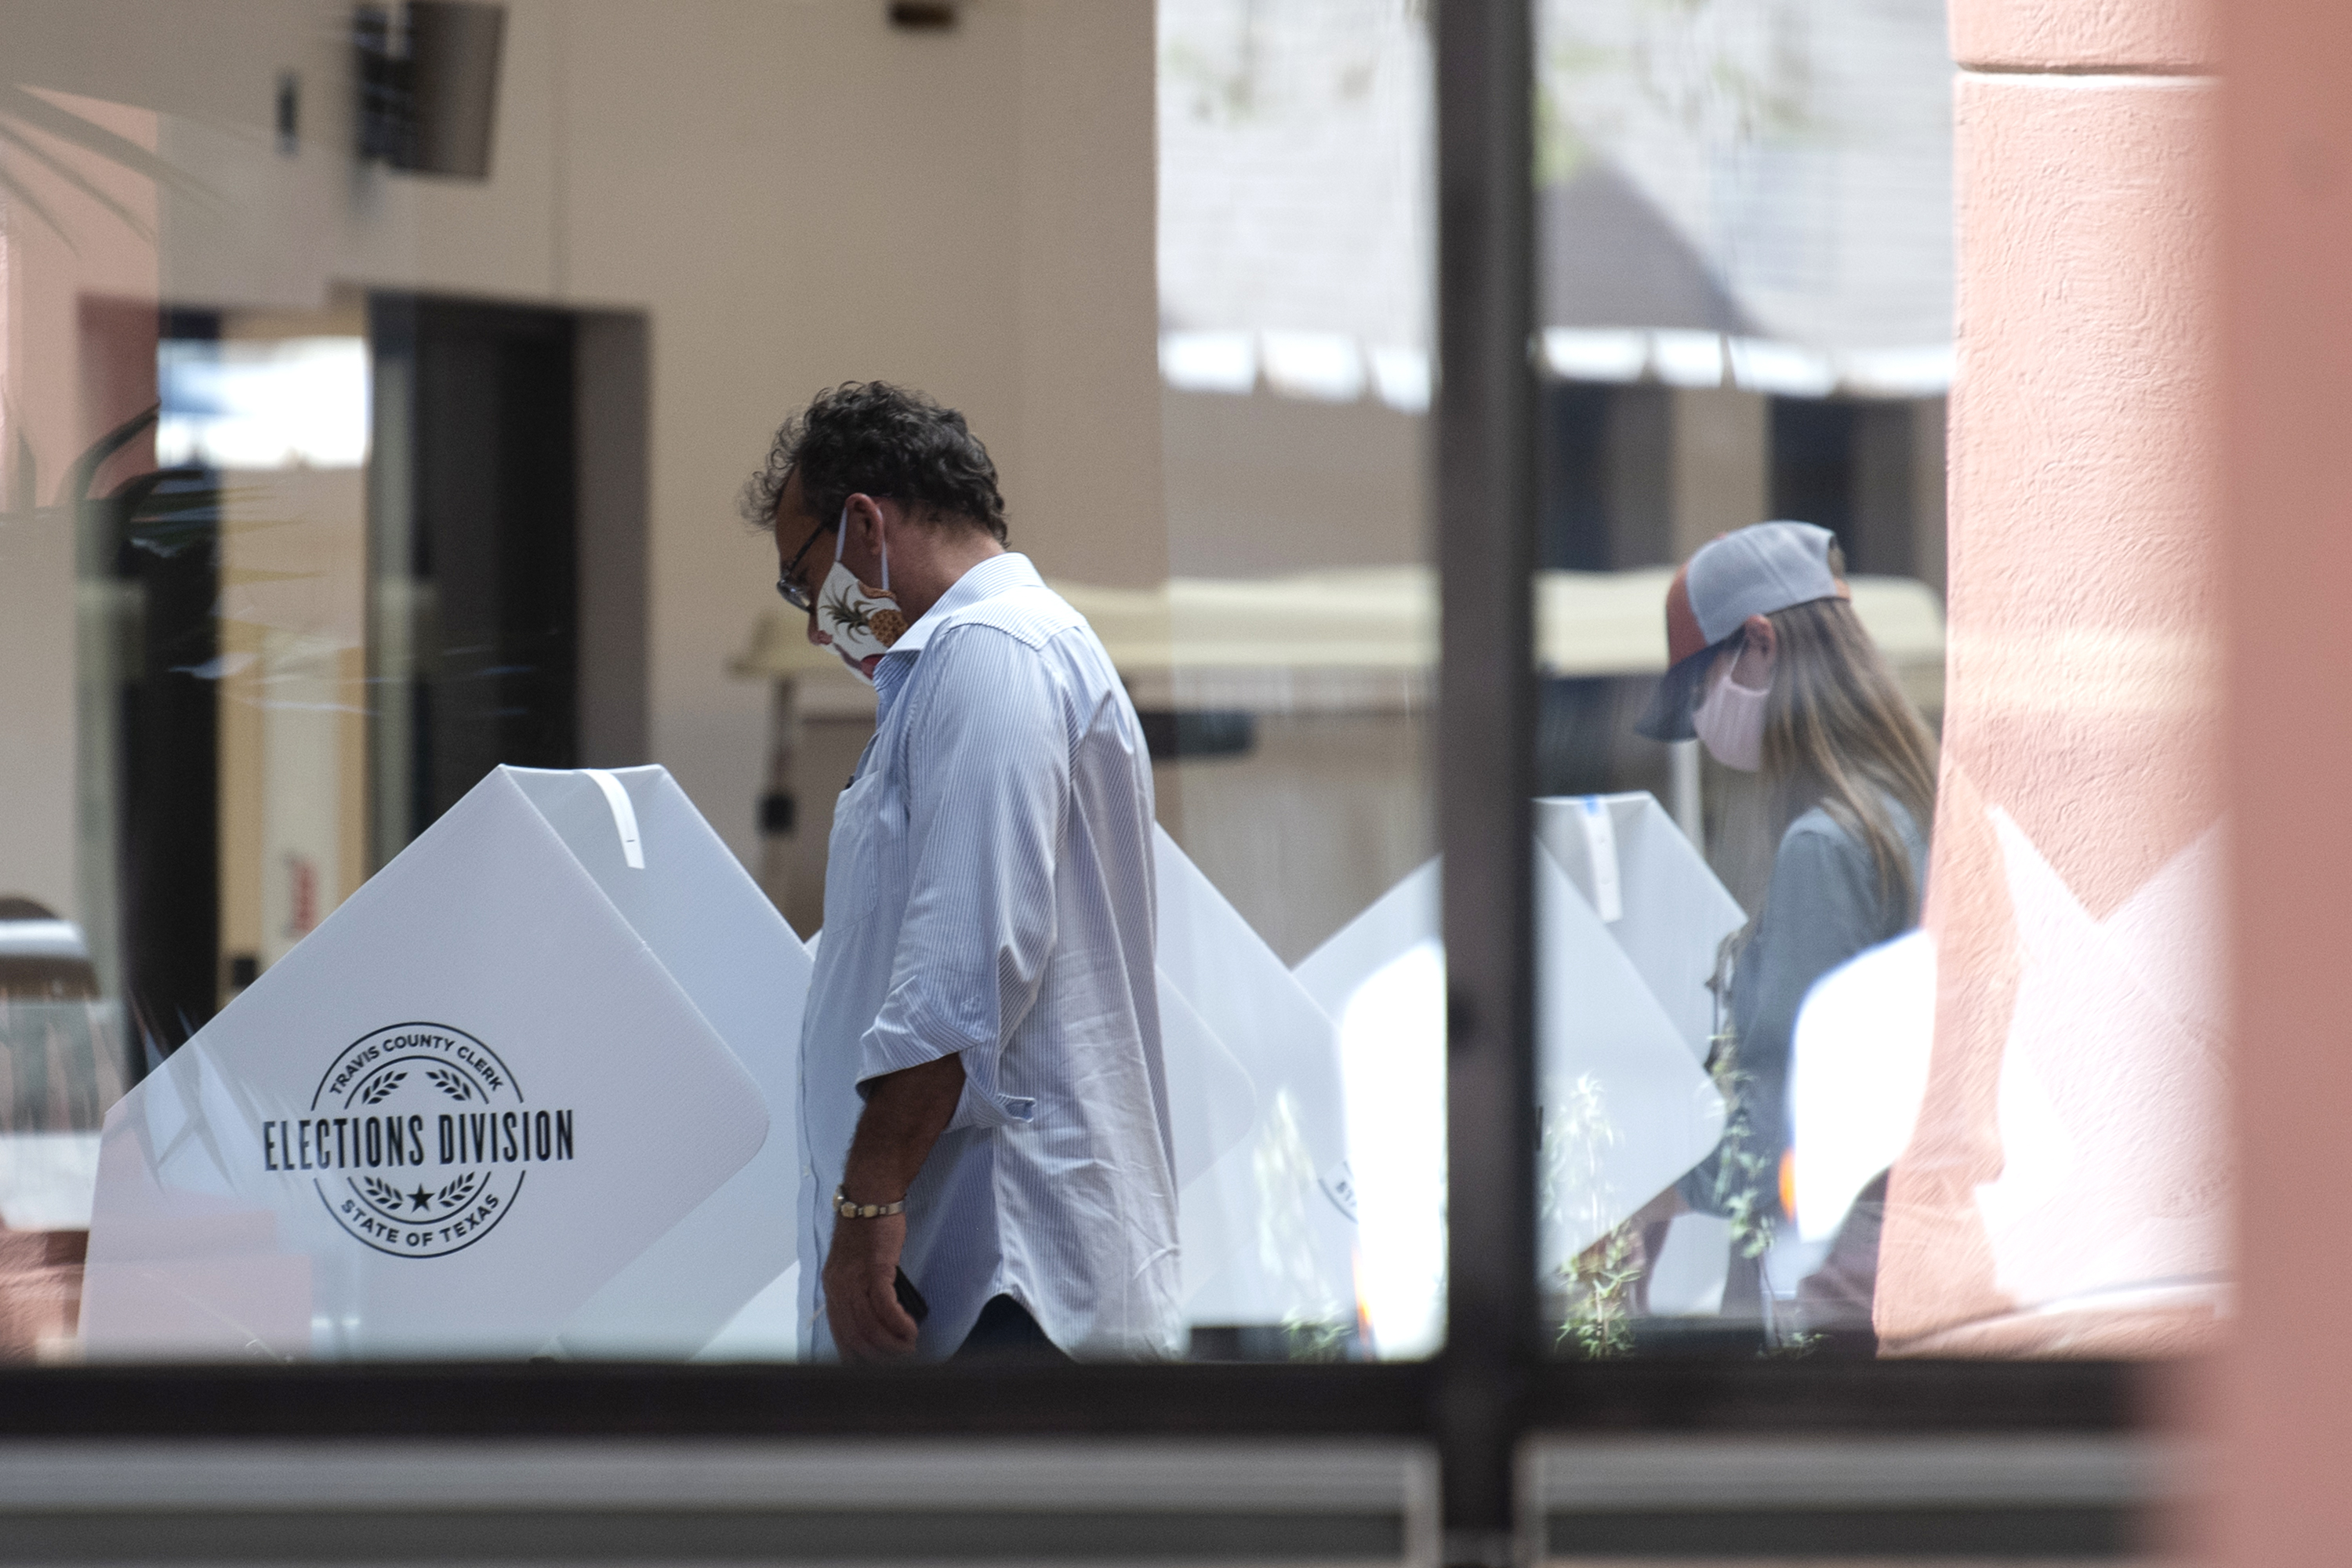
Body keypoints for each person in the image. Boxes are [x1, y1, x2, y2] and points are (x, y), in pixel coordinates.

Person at [742, 382, 1178, 1363]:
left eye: (800, 581)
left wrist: (866, 1203)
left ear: (863, 524)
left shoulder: (991, 655)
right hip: (984, 1281)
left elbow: (963, 969)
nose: (816, 627)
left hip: (1005, 1282)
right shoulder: (977, 665)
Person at [1633, 521, 1938, 1336]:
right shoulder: (1913, 808)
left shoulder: (1823, 844)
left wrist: (1649, 1195)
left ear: (1759, 644)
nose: (1701, 718)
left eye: (1699, 689)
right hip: (1912, 1250)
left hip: (1826, 1274)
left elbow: (1781, 1125)